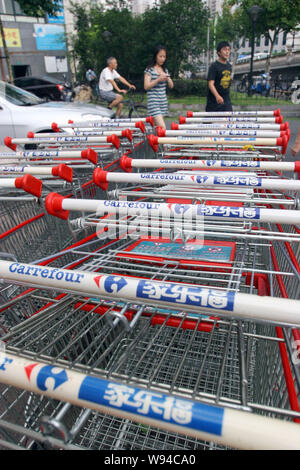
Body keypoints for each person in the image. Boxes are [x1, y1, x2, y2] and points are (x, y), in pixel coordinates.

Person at [144, 45, 174, 130]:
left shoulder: (165, 70)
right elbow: (146, 86)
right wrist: (158, 79)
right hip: (153, 102)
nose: (162, 59)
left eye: (164, 56)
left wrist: (167, 77)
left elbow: (171, 86)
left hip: (163, 101)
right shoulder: (149, 70)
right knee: (162, 127)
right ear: (155, 56)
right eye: (160, 56)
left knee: (157, 129)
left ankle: (154, 143)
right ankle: (163, 143)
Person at [206, 41, 232, 112]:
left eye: (228, 49)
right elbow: (210, 84)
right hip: (213, 100)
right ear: (219, 52)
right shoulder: (214, 66)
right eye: (224, 49)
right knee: (209, 121)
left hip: (226, 99)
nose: (227, 52)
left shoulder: (229, 66)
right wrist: (217, 96)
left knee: (229, 120)